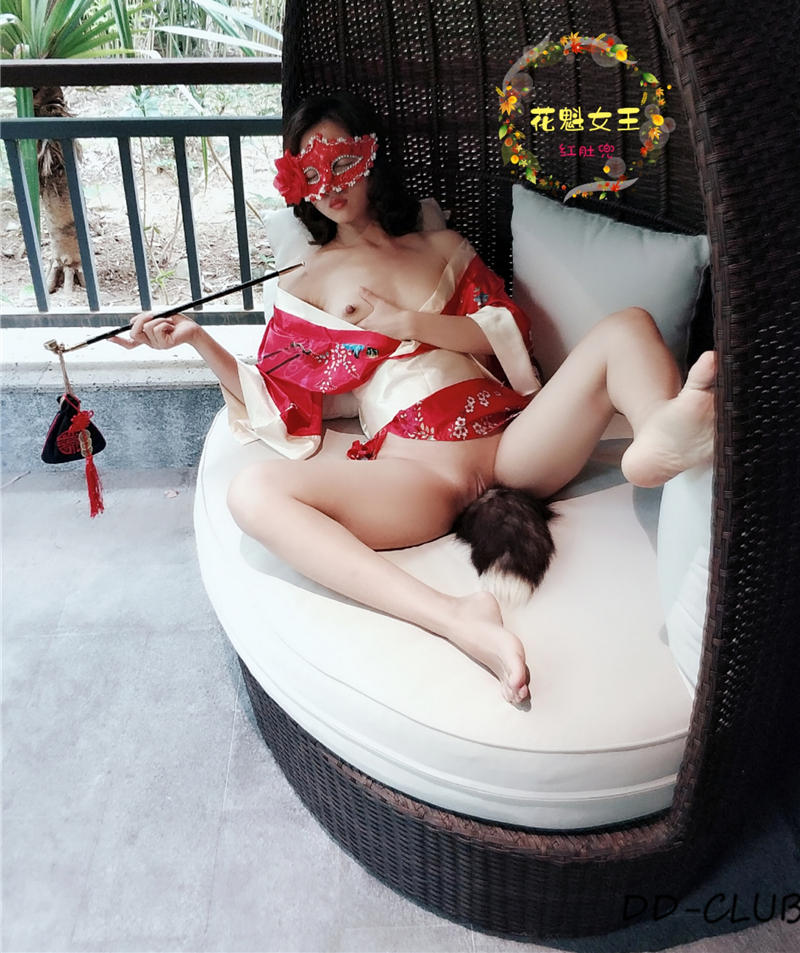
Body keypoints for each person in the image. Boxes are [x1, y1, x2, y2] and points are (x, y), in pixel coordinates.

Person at [115, 91, 715, 705]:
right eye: (310, 173)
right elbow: (277, 396)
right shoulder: (306, 280)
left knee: (628, 325)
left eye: (340, 162)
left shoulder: (442, 247)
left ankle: (658, 436)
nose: (329, 185)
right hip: (419, 475)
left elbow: (506, 335)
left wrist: (405, 323)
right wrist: (197, 340)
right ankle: (455, 616)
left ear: (370, 158)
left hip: (512, 443)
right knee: (252, 492)